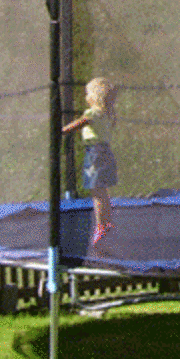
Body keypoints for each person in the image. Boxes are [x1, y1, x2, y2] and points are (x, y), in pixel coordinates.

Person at [62, 77, 119, 245]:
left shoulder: (93, 112)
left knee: (96, 192)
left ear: (94, 97)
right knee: (103, 190)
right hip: (106, 152)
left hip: (94, 153)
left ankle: (101, 225)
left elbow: (81, 123)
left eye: (88, 93)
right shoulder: (109, 113)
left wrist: (62, 130)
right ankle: (107, 222)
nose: (86, 96)